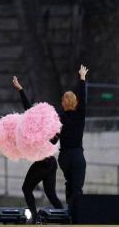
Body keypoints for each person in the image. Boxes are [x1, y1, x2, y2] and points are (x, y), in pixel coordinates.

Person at [11, 76, 63, 222]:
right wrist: (20, 89)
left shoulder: (44, 126)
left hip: (45, 162)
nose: (31, 110)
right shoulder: (42, 126)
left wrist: (47, 135)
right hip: (51, 162)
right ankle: (64, 216)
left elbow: (54, 139)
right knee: (50, 193)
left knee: (26, 189)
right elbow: (28, 110)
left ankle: (35, 217)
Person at [58, 65, 89, 209]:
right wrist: (82, 76)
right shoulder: (80, 114)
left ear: (63, 104)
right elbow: (84, 97)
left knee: (69, 184)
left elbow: (53, 139)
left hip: (64, 157)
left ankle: (69, 214)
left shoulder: (59, 119)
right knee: (77, 189)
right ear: (75, 104)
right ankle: (77, 218)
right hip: (77, 155)